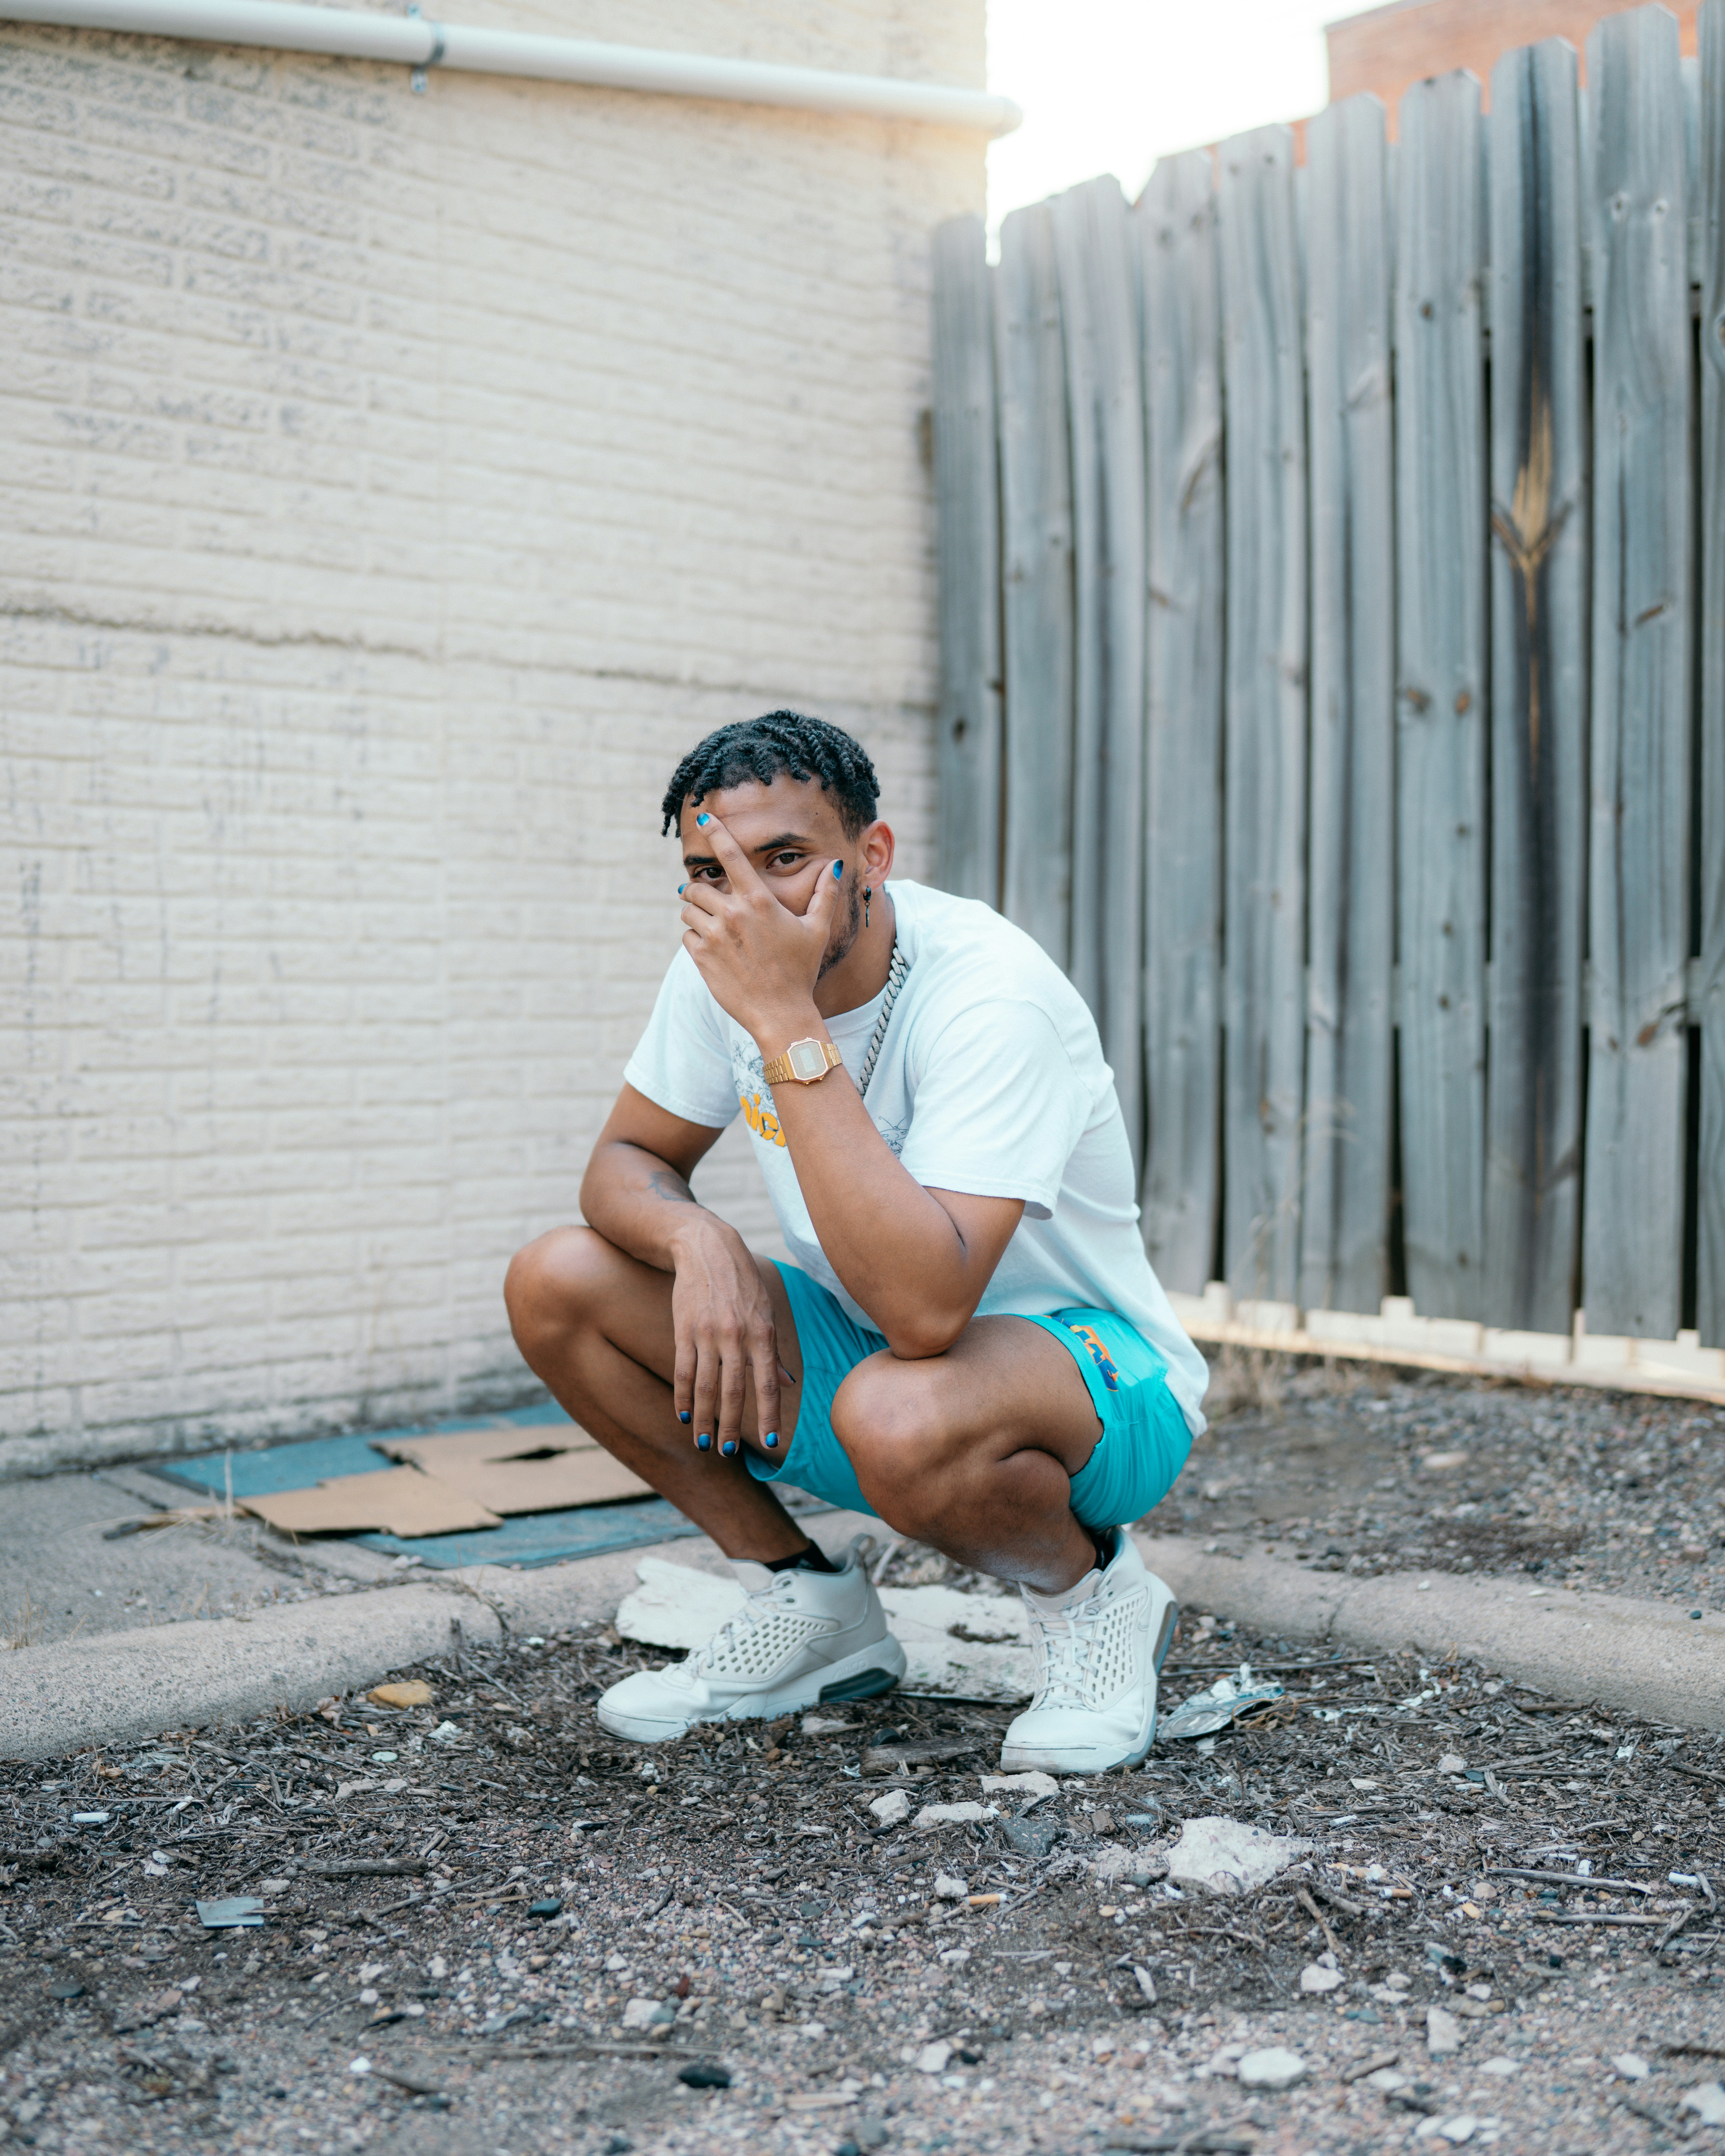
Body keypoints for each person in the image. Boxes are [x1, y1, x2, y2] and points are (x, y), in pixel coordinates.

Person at [504, 711, 1208, 1772]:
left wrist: (784, 1022)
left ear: (870, 855)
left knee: (900, 1402)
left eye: (784, 860)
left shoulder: (988, 995)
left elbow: (930, 1309)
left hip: (1100, 1389)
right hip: (884, 1360)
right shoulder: (721, 973)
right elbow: (623, 1164)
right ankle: (813, 1603)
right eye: (711, 871)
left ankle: (1096, 1597)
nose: (749, 902)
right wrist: (697, 1239)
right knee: (559, 1281)